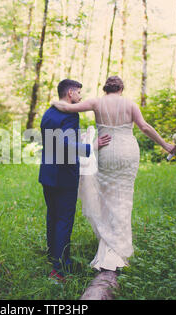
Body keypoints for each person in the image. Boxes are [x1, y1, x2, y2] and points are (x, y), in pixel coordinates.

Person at [51, 76, 176, 273]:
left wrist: (54, 102)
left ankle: (108, 243)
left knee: (107, 198)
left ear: (105, 88)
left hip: (107, 151)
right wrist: (166, 145)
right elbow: (144, 127)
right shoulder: (130, 104)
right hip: (128, 153)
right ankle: (119, 248)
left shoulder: (96, 102)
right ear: (121, 89)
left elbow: (66, 108)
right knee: (124, 199)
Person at [39, 79, 112, 283]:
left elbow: (54, 140)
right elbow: (64, 144)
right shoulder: (70, 114)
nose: (80, 96)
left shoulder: (48, 112)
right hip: (64, 175)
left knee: (53, 216)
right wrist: (92, 146)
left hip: (47, 173)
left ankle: (53, 256)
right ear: (70, 93)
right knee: (64, 220)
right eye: (79, 92)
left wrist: (78, 140)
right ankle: (59, 268)